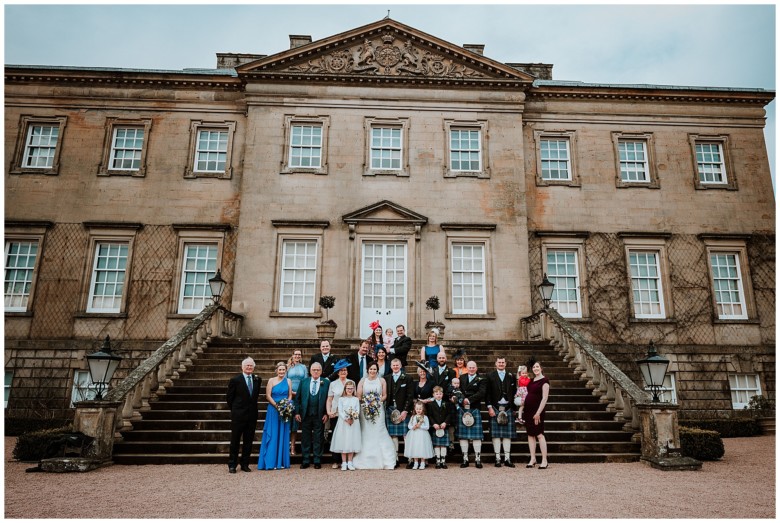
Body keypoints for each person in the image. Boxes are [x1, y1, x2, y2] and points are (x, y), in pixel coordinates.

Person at [352, 362, 397, 469]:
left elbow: (385, 395)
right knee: (367, 431)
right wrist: (368, 401)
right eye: (371, 369)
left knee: (379, 430)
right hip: (365, 409)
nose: (372, 371)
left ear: (377, 370)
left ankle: (386, 459)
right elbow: (358, 395)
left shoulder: (382, 381)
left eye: (374, 369)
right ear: (368, 370)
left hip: (378, 409)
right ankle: (365, 458)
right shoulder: (363, 381)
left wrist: (376, 401)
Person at [226, 357, 261, 473]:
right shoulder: (235, 380)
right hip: (238, 415)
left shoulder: (257, 380)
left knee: (248, 441)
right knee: (235, 440)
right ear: (242, 367)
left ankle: (245, 464)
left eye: (251, 366)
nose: (249, 367)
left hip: (252, 415)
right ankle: (232, 464)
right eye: (247, 365)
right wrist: (236, 410)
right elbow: (229, 398)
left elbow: (254, 398)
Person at [294, 362, 330, 469]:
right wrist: (297, 412)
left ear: (321, 371)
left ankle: (317, 459)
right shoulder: (304, 382)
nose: (315, 371)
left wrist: (326, 413)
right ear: (310, 371)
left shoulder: (326, 382)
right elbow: (298, 399)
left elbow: (329, 399)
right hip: (305, 414)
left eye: (318, 370)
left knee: (318, 437)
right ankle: (305, 460)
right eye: (314, 369)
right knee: (305, 437)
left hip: (319, 415)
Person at [258, 361, 292, 470]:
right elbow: (268, 395)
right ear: (276, 370)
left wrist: (286, 404)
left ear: (286, 371)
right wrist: (277, 406)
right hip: (273, 409)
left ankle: (281, 461)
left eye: (283, 370)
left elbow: (290, 395)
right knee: (273, 433)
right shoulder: (271, 380)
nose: (282, 371)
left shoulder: (289, 381)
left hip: (284, 410)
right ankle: (271, 461)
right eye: (280, 369)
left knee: (282, 434)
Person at [486, 356, 517, 468]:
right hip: (495, 407)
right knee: (496, 435)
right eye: (499, 362)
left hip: (508, 407)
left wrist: (514, 409)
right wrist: (489, 407)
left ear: (506, 363)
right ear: (496, 363)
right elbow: (487, 393)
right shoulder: (490, 376)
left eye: (503, 362)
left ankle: (507, 458)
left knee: (507, 436)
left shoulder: (511, 376)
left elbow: (514, 392)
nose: (501, 364)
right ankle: (498, 458)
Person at [384, 358, 414, 468]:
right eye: (393, 365)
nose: (395, 367)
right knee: (393, 435)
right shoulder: (386, 378)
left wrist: (405, 411)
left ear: (401, 366)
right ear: (391, 366)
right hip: (390, 410)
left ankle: (409, 458)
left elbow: (410, 396)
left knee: (406, 435)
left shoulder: (408, 378)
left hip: (403, 410)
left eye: (397, 365)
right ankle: (395, 458)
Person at [458, 361, 487, 468]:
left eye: (473, 367)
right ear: (467, 368)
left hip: (474, 408)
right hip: (463, 409)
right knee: (463, 436)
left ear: (476, 368)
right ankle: (465, 459)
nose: (471, 369)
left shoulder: (482, 379)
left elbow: (481, 393)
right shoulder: (462, 377)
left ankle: (477, 459)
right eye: (469, 367)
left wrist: (468, 400)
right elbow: (458, 390)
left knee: (476, 436)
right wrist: (462, 399)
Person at [523, 360, 550, 469]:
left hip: (538, 411)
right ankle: (533, 458)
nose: (535, 368)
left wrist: (538, 412)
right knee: (530, 434)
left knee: (539, 434)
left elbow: (544, 398)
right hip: (528, 411)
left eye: (537, 367)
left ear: (541, 368)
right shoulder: (531, 381)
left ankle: (544, 460)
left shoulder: (545, 381)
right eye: (534, 367)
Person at [329, 379, 361, 471]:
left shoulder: (355, 399)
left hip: (353, 423)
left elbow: (357, 410)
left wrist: (353, 417)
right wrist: (346, 419)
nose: (349, 390)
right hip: (343, 422)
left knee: (351, 441)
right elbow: (340, 411)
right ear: (345, 389)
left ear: (354, 389)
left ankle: (350, 462)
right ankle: (344, 462)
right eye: (348, 388)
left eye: (351, 388)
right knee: (343, 441)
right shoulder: (341, 399)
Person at [326, 359, 352, 468]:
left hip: (348, 414)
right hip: (336, 413)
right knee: (336, 436)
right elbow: (329, 399)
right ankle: (335, 460)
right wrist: (328, 411)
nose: (343, 372)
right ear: (337, 372)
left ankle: (347, 460)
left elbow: (354, 398)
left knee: (347, 436)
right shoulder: (333, 384)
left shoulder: (351, 382)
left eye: (345, 370)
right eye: (341, 371)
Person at [285, 349, 308, 456]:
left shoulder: (303, 367)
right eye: (296, 354)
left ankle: (293, 447)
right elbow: (284, 380)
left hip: (300, 396)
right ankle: (285, 445)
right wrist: (291, 392)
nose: (297, 356)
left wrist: (299, 393)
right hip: (289, 396)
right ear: (292, 355)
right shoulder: (288, 367)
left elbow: (306, 380)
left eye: (299, 354)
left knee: (295, 423)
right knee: (287, 421)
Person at [428, 385, 455, 469]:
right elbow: (430, 415)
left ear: (442, 395)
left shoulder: (446, 403)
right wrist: (433, 424)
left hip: (444, 427)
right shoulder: (431, 404)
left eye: (440, 394)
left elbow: (449, 414)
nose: (438, 395)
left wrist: (445, 423)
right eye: (436, 394)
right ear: (433, 395)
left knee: (443, 445)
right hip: (435, 427)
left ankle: (443, 461)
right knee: (436, 445)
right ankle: (438, 461)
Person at [404, 401, 434, 469]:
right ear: (415, 409)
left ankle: (422, 462)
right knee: (415, 447)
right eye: (417, 409)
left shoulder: (425, 417)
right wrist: (413, 427)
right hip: (414, 435)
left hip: (422, 435)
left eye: (420, 409)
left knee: (422, 447)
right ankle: (416, 463)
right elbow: (409, 425)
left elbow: (427, 427)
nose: (418, 410)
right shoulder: (413, 417)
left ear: (423, 409)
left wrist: (420, 427)